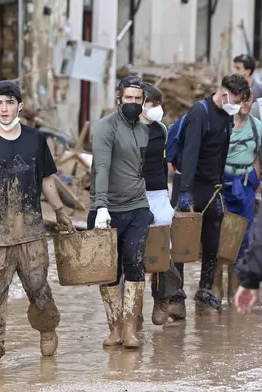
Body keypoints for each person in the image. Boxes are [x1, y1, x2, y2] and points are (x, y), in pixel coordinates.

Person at [0, 80, 75, 365]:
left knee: (38, 288)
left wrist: (60, 210)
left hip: (31, 231)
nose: (4, 108)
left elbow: (47, 180)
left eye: (10, 102)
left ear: (20, 106)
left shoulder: (35, 139)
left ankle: (47, 327)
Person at [168, 74, 251, 316]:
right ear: (224, 94)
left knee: (212, 240)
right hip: (189, 184)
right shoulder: (200, 113)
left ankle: (205, 291)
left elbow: (221, 150)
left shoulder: (226, 115)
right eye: (235, 99)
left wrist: (220, 183)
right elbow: (191, 152)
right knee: (182, 243)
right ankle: (175, 296)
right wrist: (184, 192)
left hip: (211, 186)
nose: (236, 105)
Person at [89, 75, 153, 349]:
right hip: (108, 208)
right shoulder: (106, 127)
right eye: (128, 98)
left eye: (138, 99)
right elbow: (101, 167)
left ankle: (130, 327)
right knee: (109, 271)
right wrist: (101, 204)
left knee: (135, 262)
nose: (133, 103)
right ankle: (114, 326)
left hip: (138, 206)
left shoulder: (144, 130)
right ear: (119, 99)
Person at [214, 94, 262, 302]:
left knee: (243, 238)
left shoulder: (258, 127)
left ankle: (234, 292)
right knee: (217, 236)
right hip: (222, 184)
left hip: (246, 186)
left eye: (248, 101)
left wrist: (257, 181)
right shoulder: (222, 124)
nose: (244, 105)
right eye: (240, 100)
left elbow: (258, 157)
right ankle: (215, 289)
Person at [139, 83, 180, 325]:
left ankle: (162, 298)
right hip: (133, 194)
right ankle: (133, 311)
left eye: (156, 104)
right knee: (134, 252)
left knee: (162, 248)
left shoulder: (161, 129)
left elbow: (165, 163)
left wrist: (167, 193)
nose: (154, 109)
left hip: (158, 194)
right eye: (150, 104)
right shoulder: (129, 130)